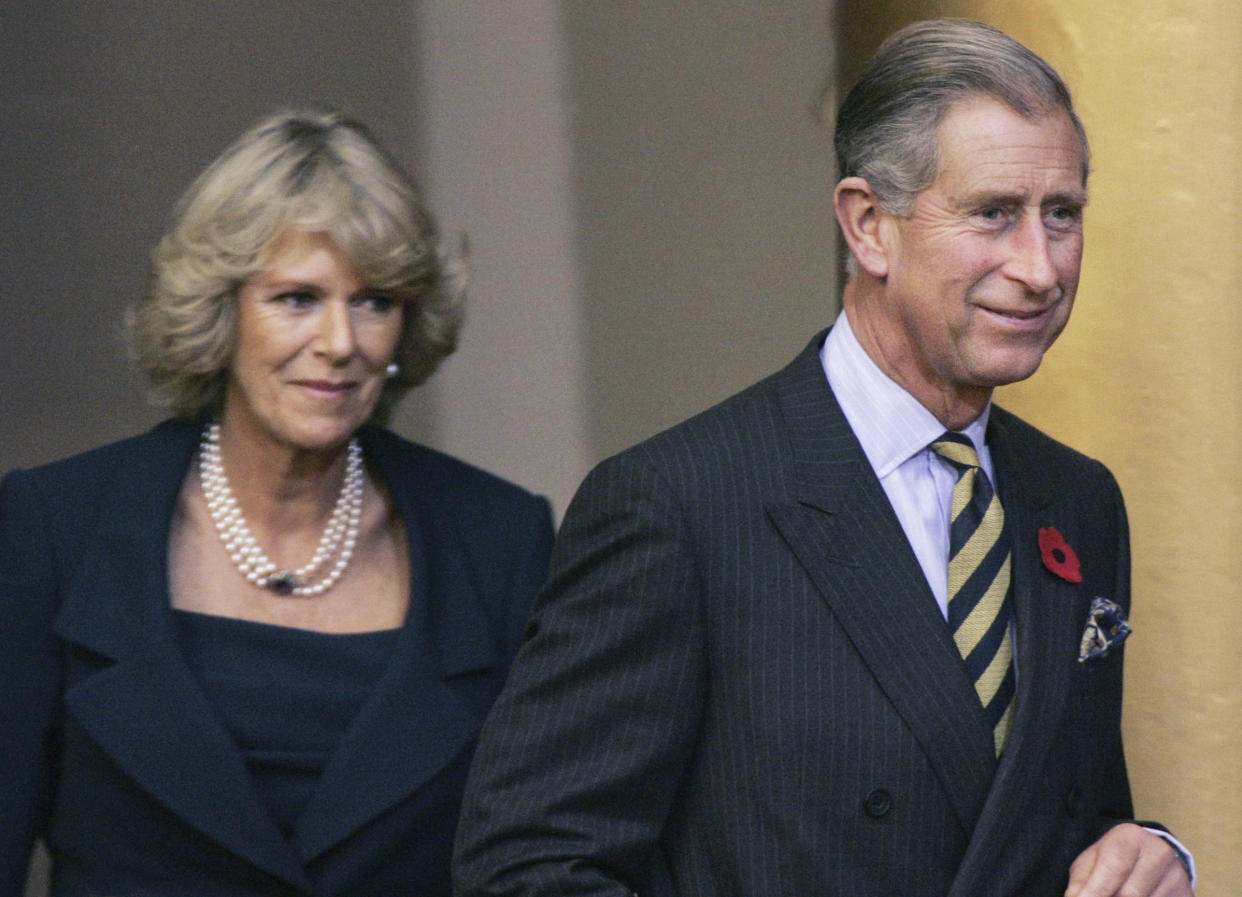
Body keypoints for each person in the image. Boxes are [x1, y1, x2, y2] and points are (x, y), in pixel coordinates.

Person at [453, 19, 1193, 897]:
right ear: (869, 224)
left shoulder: (1077, 499)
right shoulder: (678, 504)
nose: (1039, 268)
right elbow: (527, 868)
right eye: (993, 213)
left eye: (1061, 215)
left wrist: (1148, 853)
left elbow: (1045, 812)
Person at [0, 108, 554, 896]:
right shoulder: (59, 527)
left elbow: (537, 855)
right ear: (220, 313)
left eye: (375, 301)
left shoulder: (500, 541)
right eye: (297, 298)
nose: (339, 341)